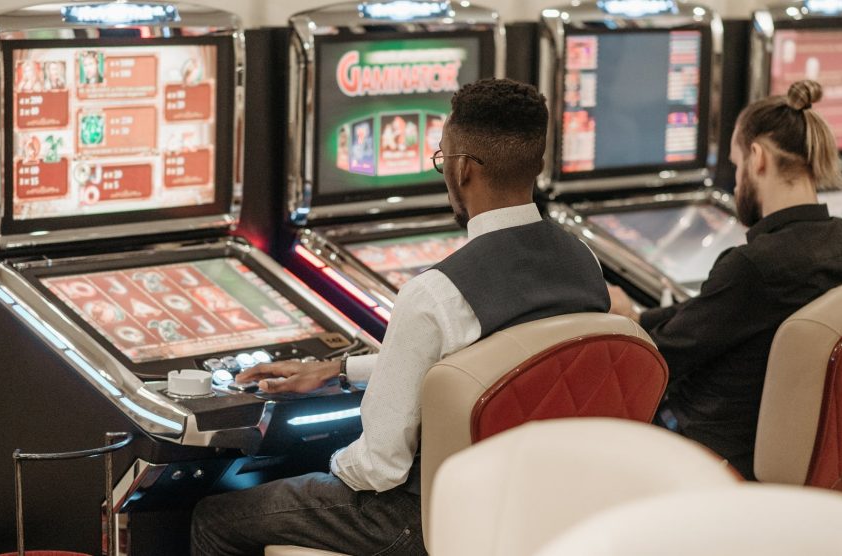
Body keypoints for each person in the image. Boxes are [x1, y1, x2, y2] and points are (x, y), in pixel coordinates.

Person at [190, 78, 611, 555]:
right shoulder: (582, 262)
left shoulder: (436, 293)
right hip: (542, 504)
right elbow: (489, 362)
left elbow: (379, 469)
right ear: (535, 163)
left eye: (441, 157)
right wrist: (339, 371)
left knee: (216, 516)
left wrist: (311, 461)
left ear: (462, 169)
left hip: (426, 520)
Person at [609, 80, 842, 480]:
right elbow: (711, 313)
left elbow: (660, 357)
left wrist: (612, 329)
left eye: (736, 164)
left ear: (758, 158)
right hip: (775, 435)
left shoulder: (754, 265)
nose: (735, 180)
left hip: (707, 442)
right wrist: (638, 317)